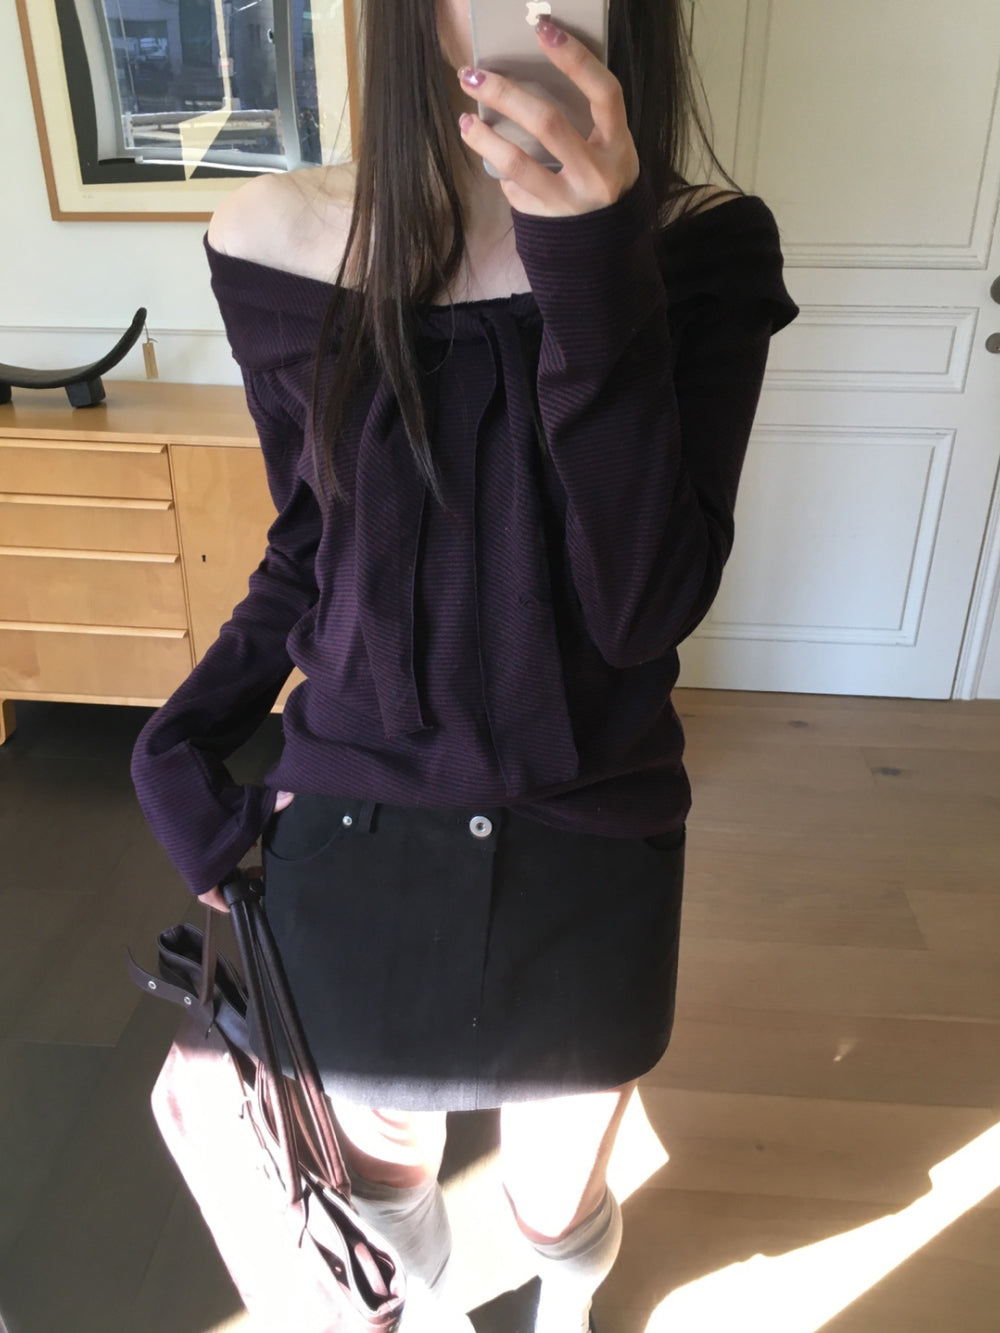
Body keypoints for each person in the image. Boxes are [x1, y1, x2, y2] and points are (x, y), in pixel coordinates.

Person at [131, 3, 799, 1330]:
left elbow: (643, 608)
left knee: (555, 1205)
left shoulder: (705, 243)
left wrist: (592, 266)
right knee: (371, 1185)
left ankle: (564, 1304)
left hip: (592, 813)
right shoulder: (273, 237)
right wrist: (179, 743)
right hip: (357, 809)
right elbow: (312, 544)